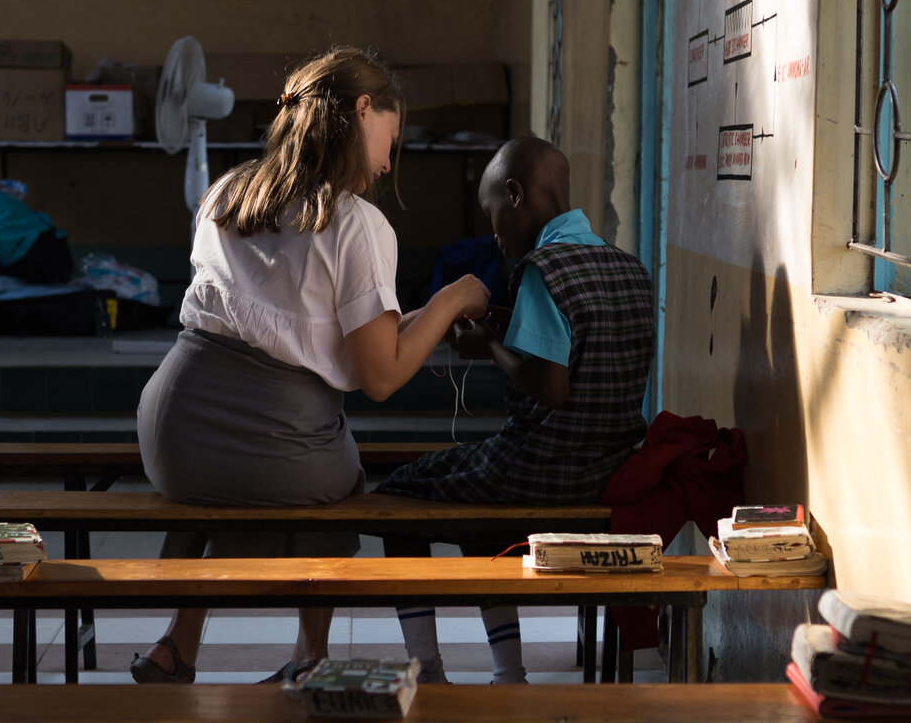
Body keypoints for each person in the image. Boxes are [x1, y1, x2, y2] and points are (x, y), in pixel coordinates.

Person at [130, 46, 489, 686]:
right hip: (273, 445)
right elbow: (379, 376)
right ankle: (309, 655)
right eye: (390, 136)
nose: (387, 158)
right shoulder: (355, 223)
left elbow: (319, 336)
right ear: (360, 111)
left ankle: (175, 644)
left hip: (170, 433)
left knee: (217, 490)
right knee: (342, 478)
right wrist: (455, 297)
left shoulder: (224, 194)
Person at [383, 135, 655, 685]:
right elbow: (584, 351)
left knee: (396, 496)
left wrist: (488, 346)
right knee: (478, 510)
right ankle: (506, 670)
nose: (493, 232)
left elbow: (552, 388)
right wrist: (508, 330)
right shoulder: (630, 268)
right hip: (614, 469)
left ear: (515, 194)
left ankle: (429, 665)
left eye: (492, 214)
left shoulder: (540, 268)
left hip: (544, 470)